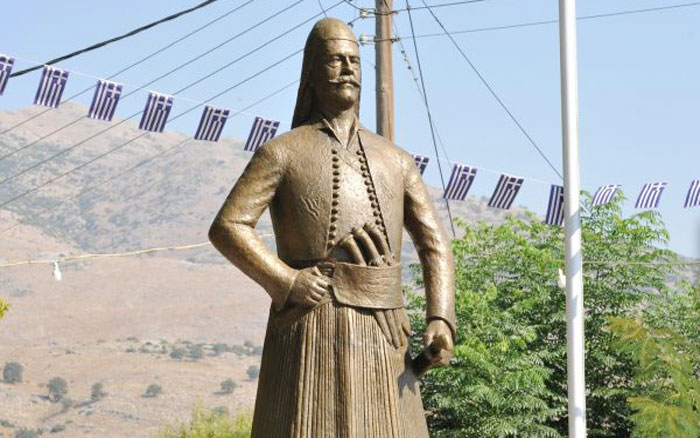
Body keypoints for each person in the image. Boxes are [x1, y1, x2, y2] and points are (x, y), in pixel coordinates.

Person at [209, 17, 455, 438]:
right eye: (335, 60)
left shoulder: (396, 160)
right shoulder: (282, 152)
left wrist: (441, 318)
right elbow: (228, 226)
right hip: (311, 321)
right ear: (312, 71)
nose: (347, 69)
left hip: (385, 327)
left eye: (354, 61)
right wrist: (286, 281)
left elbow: (435, 244)